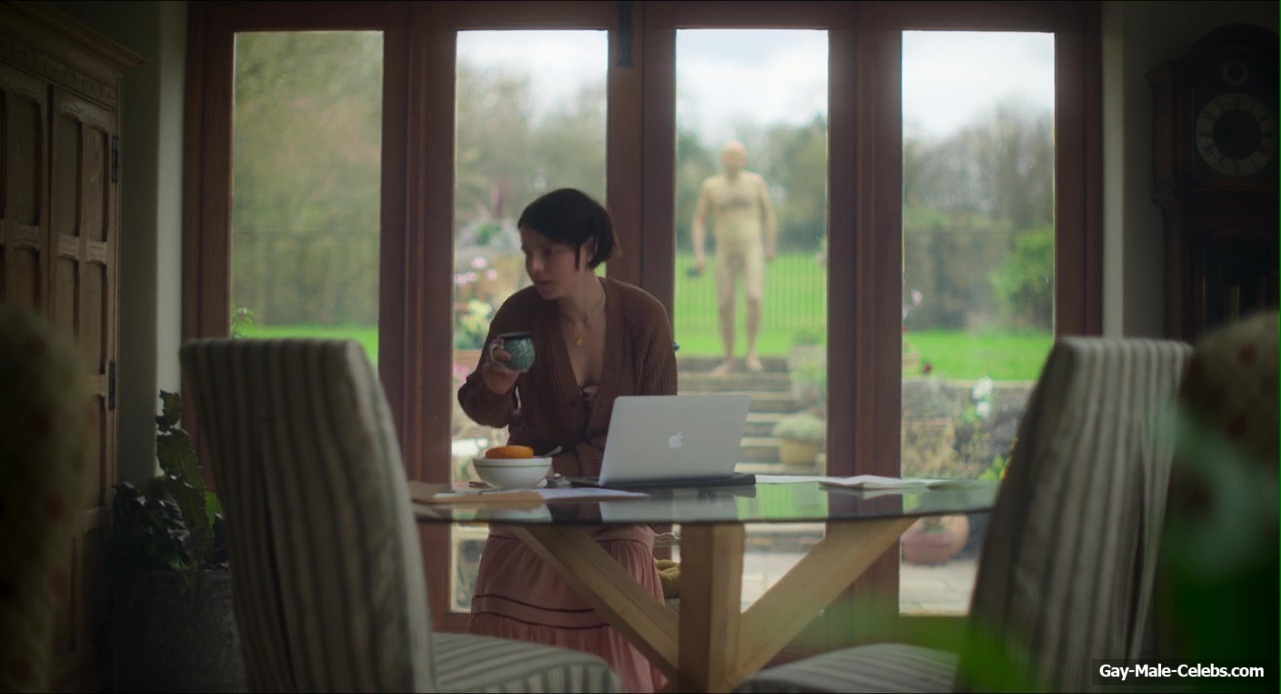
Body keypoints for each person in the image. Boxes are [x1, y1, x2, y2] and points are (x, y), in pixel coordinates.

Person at [457, 188, 676, 694]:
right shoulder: (519, 314)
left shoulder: (643, 318)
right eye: (528, 252)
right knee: (512, 561)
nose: (534, 266)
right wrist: (496, 385)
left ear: (588, 248)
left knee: (624, 558)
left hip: (617, 507)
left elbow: (658, 430)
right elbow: (482, 409)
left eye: (549, 251)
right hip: (533, 506)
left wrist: (561, 466)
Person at [691, 140, 778, 375]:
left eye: (737, 156)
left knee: (754, 297)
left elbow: (769, 215)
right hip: (725, 249)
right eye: (728, 156)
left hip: (751, 247)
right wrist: (699, 253)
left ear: (744, 159)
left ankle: (751, 352)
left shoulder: (755, 183)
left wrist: (770, 246)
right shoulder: (711, 186)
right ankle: (729, 358)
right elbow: (699, 220)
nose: (733, 160)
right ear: (721, 159)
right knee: (725, 303)